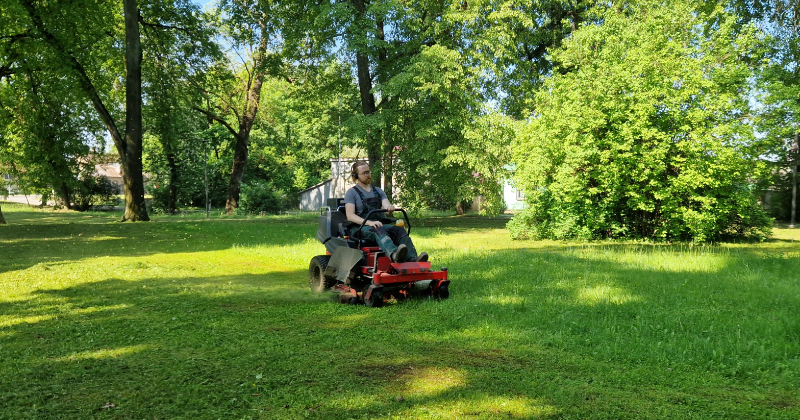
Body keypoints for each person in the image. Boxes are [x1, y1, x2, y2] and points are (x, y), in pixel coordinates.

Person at [344, 161, 428, 263]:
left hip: (378, 225)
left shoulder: (379, 191)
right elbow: (350, 216)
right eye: (364, 173)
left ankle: (412, 258)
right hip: (360, 228)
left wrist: (390, 209)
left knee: (399, 230)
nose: (368, 175)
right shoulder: (351, 193)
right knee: (378, 229)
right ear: (356, 176)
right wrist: (370, 223)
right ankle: (394, 254)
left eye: (368, 172)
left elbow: (386, 205)